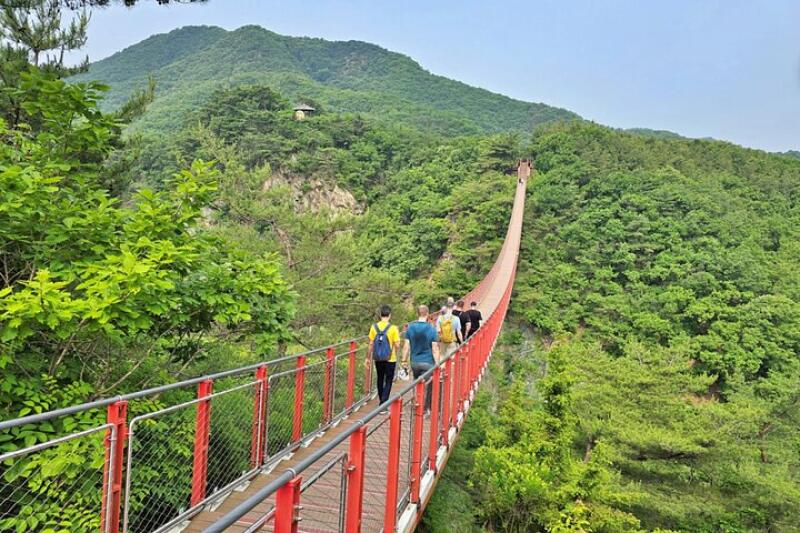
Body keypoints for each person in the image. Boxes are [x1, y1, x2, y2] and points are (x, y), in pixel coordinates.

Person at [401, 305, 440, 411]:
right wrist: (437, 364)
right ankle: (423, 408)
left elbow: (406, 346)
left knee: (416, 381)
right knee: (426, 384)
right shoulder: (431, 329)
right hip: (427, 362)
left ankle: (416, 402)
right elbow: (435, 349)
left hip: (414, 362)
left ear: (417, 314)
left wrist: (404, 361)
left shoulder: (410, 328)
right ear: (427, 314)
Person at [366, 305, 401, 407]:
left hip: (378, 357)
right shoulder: (393, 328)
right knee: (389, 380)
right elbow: (398, 345)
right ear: (389, 315)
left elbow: (371, 344)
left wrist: (367, 358)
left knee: (380, 378)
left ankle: (382, 399)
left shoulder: (374, 327)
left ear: (380, 315)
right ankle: (383, 403)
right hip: (390, 358)